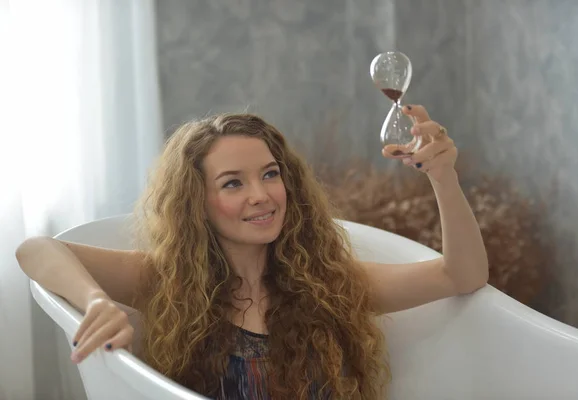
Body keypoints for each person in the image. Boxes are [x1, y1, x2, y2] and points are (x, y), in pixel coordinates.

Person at [16, 105, 488, 399]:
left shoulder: (329, 282)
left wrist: (443, 177)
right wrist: (96, 301)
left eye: (269, 174)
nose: (261, 195)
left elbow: (461, 276)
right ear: (195, 203)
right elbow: (36, 250)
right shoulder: (168, 281)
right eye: (232, 183)